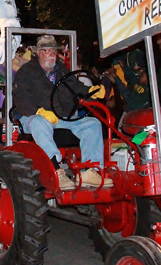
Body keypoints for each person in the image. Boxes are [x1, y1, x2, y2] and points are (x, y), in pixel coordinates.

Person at [12, 35, 111, 190]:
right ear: (37, 52)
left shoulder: (62, 71)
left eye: (53, 50)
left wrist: (91, 91)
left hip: (60, 116)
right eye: (46, 50)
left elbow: (76, 87)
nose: (51, 53)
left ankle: (90, 170)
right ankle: (56, 169)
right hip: (32, 116)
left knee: (92, 123)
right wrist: (39, 111)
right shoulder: (26, 72)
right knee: (40, 123)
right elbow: (20, 98)